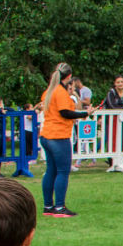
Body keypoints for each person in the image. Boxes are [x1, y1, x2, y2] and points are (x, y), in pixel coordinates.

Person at [39, 63, 86, 218]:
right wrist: (83, 114)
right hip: (58, 136)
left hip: (46, 134)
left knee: (51, 170)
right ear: (69, 77)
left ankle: (48, 206)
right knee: (63, 171)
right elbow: (65, 112)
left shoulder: (48, 91)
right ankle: (59, 207)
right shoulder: (60, 92)